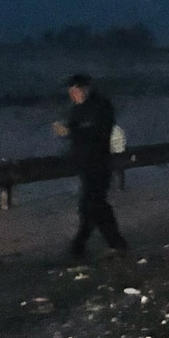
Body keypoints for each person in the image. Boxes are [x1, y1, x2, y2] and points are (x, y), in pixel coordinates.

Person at [54, 74, 128, 258]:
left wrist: (71, 132)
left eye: (75, 91)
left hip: (99, 162)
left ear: (85, 89)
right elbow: (77, 134)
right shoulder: (77, 110)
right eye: (70, 92)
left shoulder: (101, 106)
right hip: (84, 164)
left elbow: (98, 134)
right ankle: (111, 243)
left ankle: (82, 245)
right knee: (95, 205)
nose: (72, 95)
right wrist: (67, 133)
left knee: (92, 204)